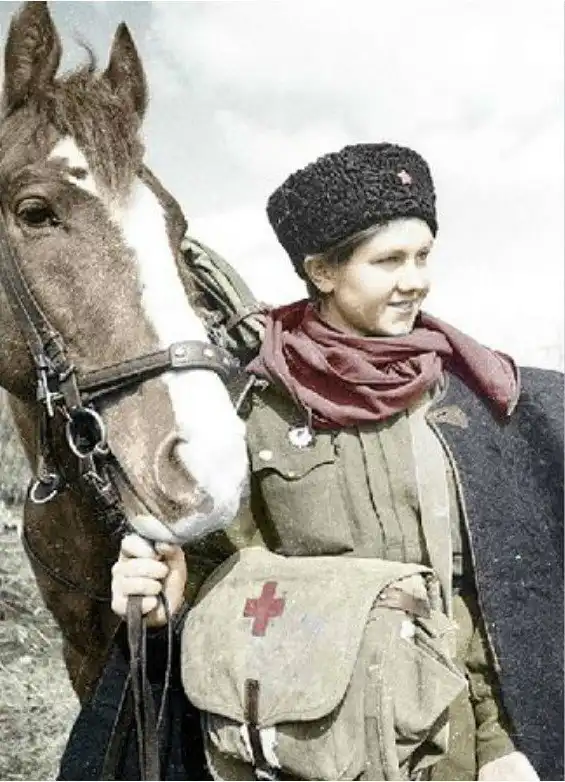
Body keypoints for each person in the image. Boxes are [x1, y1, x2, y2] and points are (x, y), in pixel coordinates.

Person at [62, 143, 563, 781]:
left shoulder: (460, 403)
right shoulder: (251, 412)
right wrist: (164, 609)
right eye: (388, 260)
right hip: (308, 752)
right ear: (322, 271)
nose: (415, 279)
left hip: (454, 749)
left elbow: (488, 599)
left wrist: (498, 747)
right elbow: (224, 592)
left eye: (422, 255)